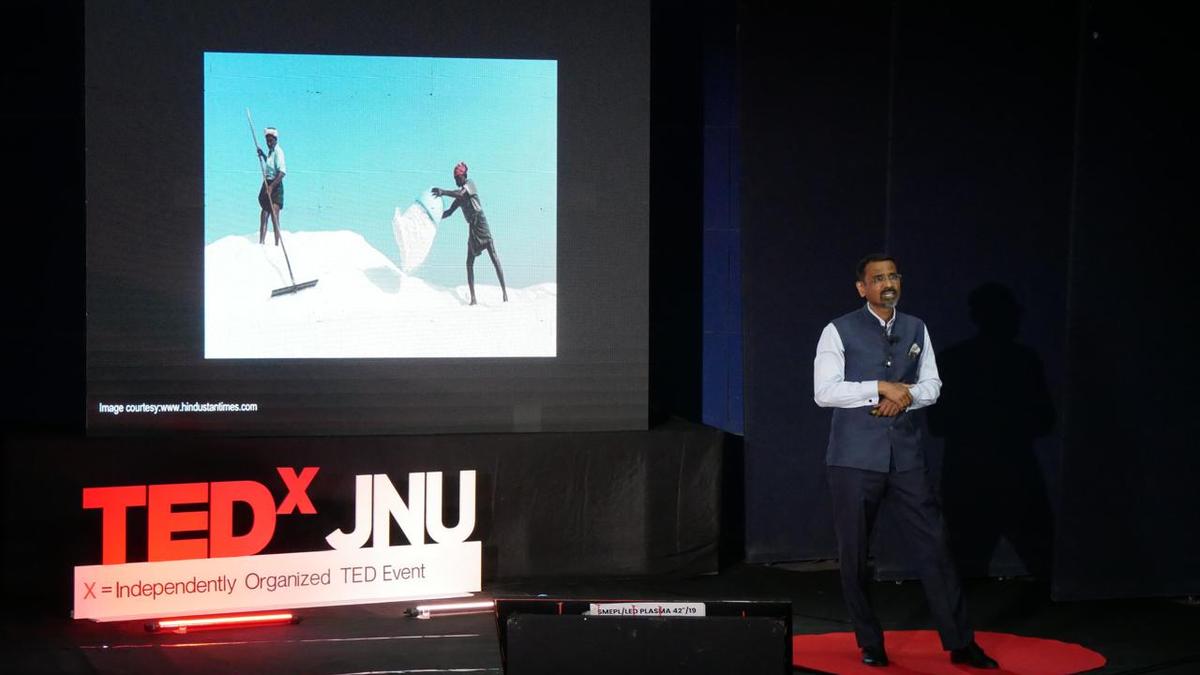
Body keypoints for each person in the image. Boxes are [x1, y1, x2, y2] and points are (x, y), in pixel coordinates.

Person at [812, 254, 999, 669]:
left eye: (893, 275)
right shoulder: (837, 330)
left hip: (907, 458)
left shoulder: (917, 327)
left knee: (935, 548)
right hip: (853, 459)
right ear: (862, 287)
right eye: (877, 278)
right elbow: (824, 391)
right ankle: (869, 641)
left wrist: (907, 396)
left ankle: (960, 641)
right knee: (855, 554)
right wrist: (879, 387)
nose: (887, 282)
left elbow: (933, 383)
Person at [433, 162, 508, 305]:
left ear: (464, 176)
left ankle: (504, 293)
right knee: (469, 262)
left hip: (480, 222)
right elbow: (448, 213)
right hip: (472, 228)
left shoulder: (470, 184)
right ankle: (473, 298)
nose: (456, 180)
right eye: (455, 178)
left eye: (458, 177)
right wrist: (433, 216)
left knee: (493, 256)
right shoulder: (458, 198)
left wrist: (443, 191)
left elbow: (460, 193)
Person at [256, 127, 286, 245]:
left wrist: (272, 187)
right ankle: (261, 243)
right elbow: (270, 165)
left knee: (274, 213)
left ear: (275, 140)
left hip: (276, 184)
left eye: (271, 141)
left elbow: (282, 172)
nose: (268, 143)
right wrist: (263, 155)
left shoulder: (279, 152)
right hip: (268, 182)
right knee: (264, 212)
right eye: (267, 141)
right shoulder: (270, 152)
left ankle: (277, 244)